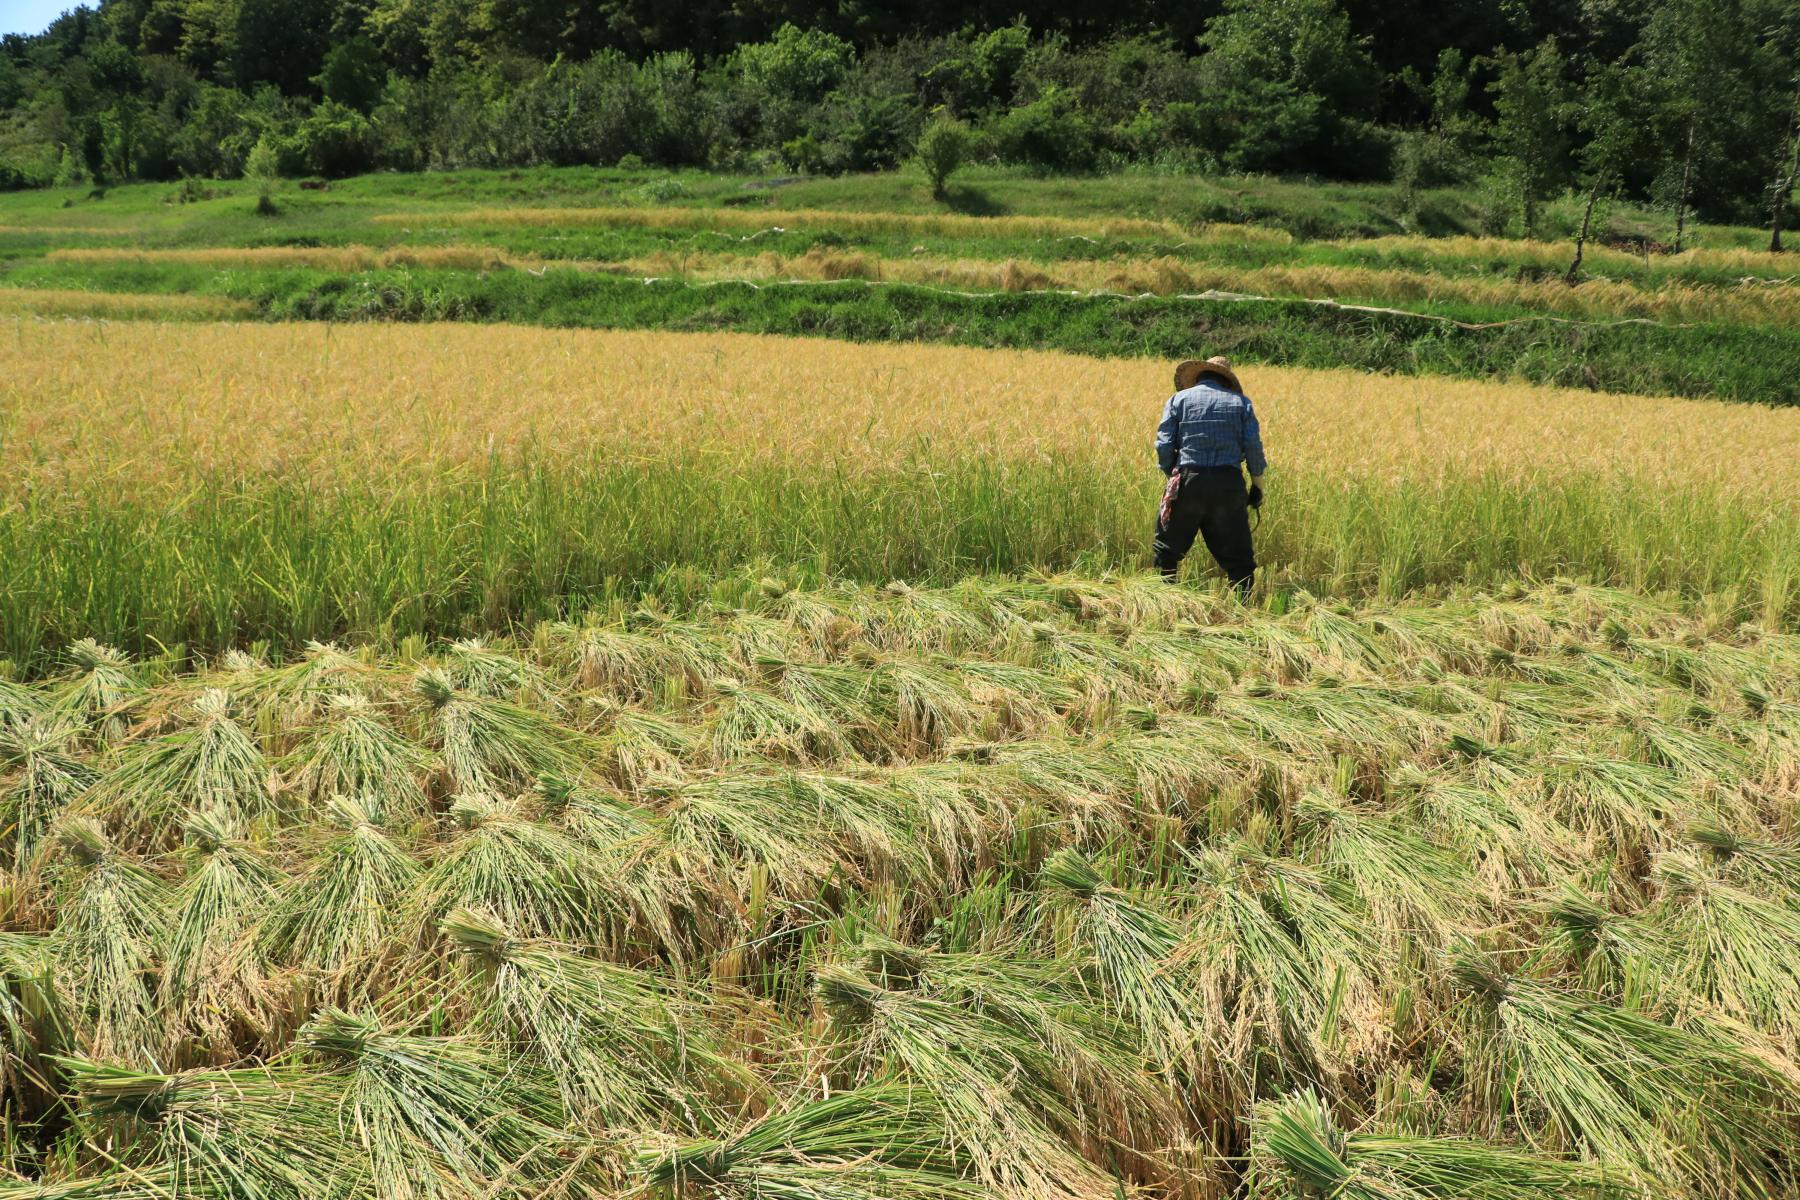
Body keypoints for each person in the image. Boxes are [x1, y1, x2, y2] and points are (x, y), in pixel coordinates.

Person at [1152, 356, 1265, 594]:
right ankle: (1241, 610)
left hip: (1187, 478)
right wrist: (1257, 486)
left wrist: (1173, 474)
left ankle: (1164, 601)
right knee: (1238, 558)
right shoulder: (1241, 403)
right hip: (1229, 483)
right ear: (1226, 380)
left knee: (1167, 550)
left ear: (1198, 377)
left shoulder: (1178, 400)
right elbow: (1253, 447)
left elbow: (1163, 444)